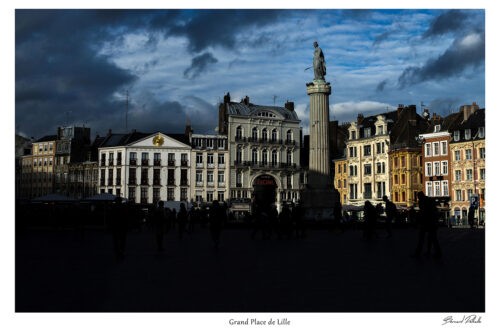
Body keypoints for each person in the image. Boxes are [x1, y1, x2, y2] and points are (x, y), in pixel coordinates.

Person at [413, 191, 441, 258]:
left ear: (420, 196)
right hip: (432, 222)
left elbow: (423, 212)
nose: (418, 198)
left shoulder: (423, 202)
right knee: (433, 238)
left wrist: (419, 221)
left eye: (418, 197)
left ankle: (418, 253)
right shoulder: (429, 200)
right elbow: (434, 211)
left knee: (422, 238)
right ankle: (436, 252)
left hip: (426, 222)